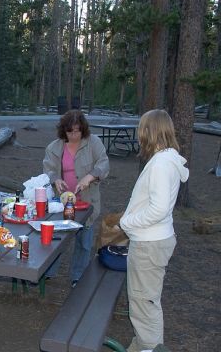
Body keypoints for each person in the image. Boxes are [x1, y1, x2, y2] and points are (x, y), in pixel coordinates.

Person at [119, 109, 188, 352]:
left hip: (149, 243)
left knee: (144, 303)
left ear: (150, 131)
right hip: (155, 240)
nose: (139, 136)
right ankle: (141, 346)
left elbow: (158, 209)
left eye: (141, 130)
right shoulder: (167, 159)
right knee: (144, 299)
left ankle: (150, 348)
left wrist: (128, 222)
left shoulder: (160, 164)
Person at [43, 109, 109, 286]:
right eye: (69, 131)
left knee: (84, 242)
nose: (73, 134)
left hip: (86, 201)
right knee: (57, 239)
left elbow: (104, 164)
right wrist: (55, 179)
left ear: (83, 129)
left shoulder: (93, 143)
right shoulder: (54, 147)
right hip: (62, 202)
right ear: (63, 130)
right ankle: (48, 272)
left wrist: (91, 176)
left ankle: (77, 277)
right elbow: (48, 169)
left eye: (77, 130)